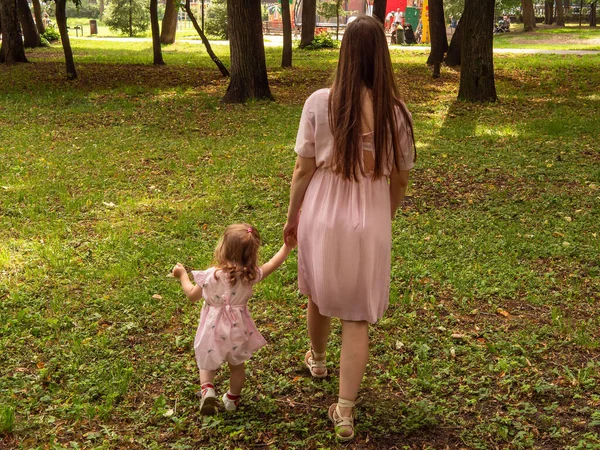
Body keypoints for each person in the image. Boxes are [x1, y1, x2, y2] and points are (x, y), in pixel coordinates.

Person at [283, 15, 416, 442]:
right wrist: (385, 215)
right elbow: (399, 179)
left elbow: (302, 171)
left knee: (319, 292)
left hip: (322, 211)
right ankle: (344, 410)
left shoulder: (319, 101)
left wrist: (292, 218)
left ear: (343, 53)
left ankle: (318, 359)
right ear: (383, 55)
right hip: (370, 215)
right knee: (356, 315)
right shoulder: (397, 113)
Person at [172, 224, 293, 415]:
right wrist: (287, 247)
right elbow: (272, 264)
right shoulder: (249, 275)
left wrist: (182, 276)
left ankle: (208, 389)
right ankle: (232, 399)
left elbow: (191, 296)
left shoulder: (211, 276)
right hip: (237, 330)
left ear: (223, 248)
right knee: (237, 367)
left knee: (206, 361)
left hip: (212, 329)